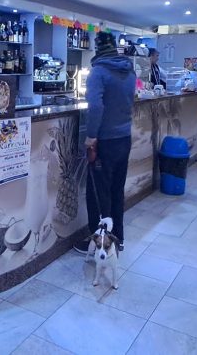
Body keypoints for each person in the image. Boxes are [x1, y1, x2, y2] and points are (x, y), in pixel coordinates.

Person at [73, 31, 136, 253]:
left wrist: (91, 136)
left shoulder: (98, 72)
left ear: (97, 48)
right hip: (124, 138)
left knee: (99, 194)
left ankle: (98, 244)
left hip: (105, 141)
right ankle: (117, 238)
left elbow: (96, 107)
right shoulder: (129, 70)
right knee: (116, 190)